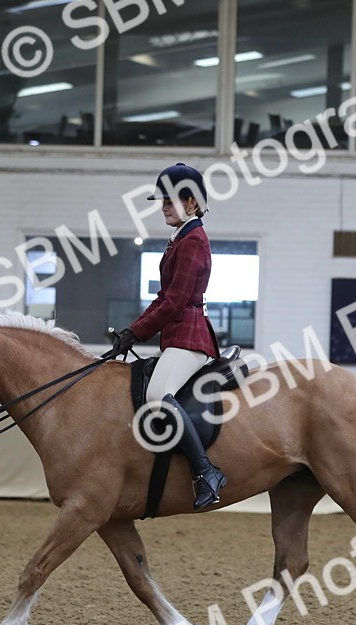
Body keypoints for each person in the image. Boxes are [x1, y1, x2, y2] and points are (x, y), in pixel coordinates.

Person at [114, 163, 227, 510]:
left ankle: (206, 471)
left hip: (191, 338)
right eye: (162, 201)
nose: (162, 206)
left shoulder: (193, 241)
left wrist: (138, 331)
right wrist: (132, 331)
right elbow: (163, 298)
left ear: (191, 203)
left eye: (169, 201)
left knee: (159, 393)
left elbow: (176, 302)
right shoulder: (180, 239)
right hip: (178, 335)